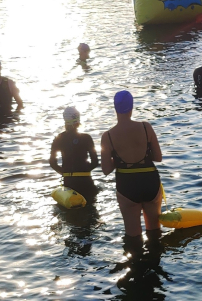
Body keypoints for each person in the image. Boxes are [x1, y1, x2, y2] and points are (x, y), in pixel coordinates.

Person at [100, 91, 164, 238]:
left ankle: (135, 258)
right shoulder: (146, 127)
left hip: (127, 183)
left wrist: (119, 159)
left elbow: (106, 169)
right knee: (155, 232)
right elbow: (158, 157)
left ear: (115, 108)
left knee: (133, 235)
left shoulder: (108, 136)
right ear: (132, 107)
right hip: (150, 181)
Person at [49, 107, 99, 203]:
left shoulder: (58, 139)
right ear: (78, 121)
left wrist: (64, 172)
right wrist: (84, 170)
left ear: (65, 121)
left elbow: (52, 162)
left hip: (69, 182)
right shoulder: (86, 138)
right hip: (86, 182)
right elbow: (95, 162)